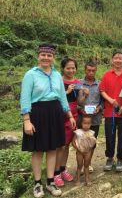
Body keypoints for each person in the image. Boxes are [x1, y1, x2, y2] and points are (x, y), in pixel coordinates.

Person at [20, 44, 76, 198]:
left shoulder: (57, 75)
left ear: (53, 58)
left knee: (52, 148)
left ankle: (50, 181)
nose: (46, 58)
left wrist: (70, 115)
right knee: (38, 150)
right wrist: (26, 120)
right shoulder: (30, 75)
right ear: (38, 56)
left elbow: (63, 98)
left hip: (55, 113)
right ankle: (37, 184)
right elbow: (25, 98)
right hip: (37, 114)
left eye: (49, 55)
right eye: (43, 55)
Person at [54, 57, 89, 187]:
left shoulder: (77, 82)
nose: (71, 70)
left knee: (67, 144)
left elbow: (80, 102)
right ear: (63, 68)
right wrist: (66, 92)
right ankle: (55, 172)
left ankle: (63, 169)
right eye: (68, 68)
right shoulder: (58, 81)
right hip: (61, 114)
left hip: (74, 115)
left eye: (73, 68)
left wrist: (85, 94)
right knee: (60, 145)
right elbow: (54, 99)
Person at [100, 51, 122, 172]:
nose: (118, 60)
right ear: (112, 60)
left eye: (120, 58)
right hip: (109, 112)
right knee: (109, 135)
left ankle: (121, 158)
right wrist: (111, 100)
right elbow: (102, 90)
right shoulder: (106, 75)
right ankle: (109, 157)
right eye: (116, 58)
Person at [77, 60, 103, 172]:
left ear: (96, 70)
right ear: (85, 70)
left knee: (92, 141)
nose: (91, 72)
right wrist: (80, 109)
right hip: (82, 118)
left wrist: (100, 108)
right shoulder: (79, 83)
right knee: (82, 141)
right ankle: (81, 165)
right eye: (89, 70)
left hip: (95, 118)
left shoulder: (100, 84)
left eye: (93, 70)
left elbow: (103, 100)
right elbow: (74, 101)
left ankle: (89, 163)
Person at [72, 116, 96, 186]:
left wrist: (91, 144)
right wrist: (77, 148)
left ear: (91, 124)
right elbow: (73, 142)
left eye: (88, 123)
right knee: (79, 166)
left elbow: (93, 142)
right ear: (81, 123)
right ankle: (78, 179)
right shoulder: (78, 132)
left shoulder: (92, 133)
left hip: (88, 152)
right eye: (85, 123)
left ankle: (87, 179)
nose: (86, 125)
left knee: (86, 165)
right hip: (79, 152)